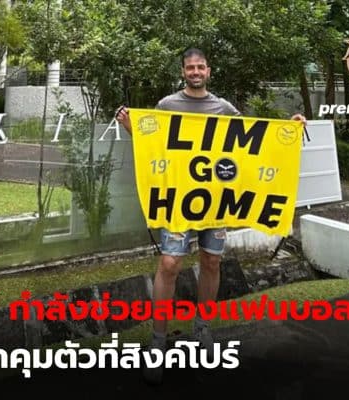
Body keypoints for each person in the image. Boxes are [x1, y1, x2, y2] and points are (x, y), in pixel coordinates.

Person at [115, 47, 306, 384]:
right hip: (179, 204)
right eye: (190, 67)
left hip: (215, 204)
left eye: (200, 66)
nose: (195, 71)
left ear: (209, 70)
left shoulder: (224, 108)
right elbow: (151, 145)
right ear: (183, 71)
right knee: (169, 265)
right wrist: (131, 126)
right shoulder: (167, 106)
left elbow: (253, 147)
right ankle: (158, 343)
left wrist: (287, 132)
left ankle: (201, 331)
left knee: (212, 262)